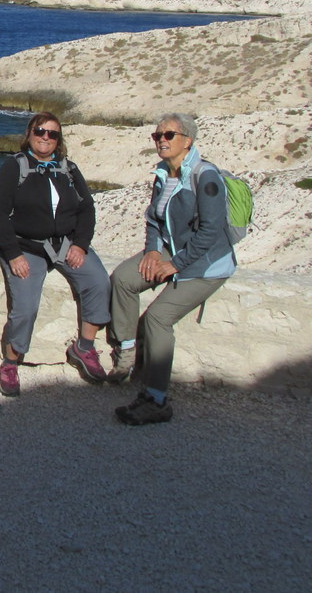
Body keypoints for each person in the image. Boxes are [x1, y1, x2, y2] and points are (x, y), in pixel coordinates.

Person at [109, 113, 236, 425]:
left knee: (157, 319)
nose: (161, 141)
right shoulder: (164, 173)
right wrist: (152, 250)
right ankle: (126, 351)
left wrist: (173, 265)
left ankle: (156, 398)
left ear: (187, 141)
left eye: (168, 135)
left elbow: (209, 231)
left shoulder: (204, 177)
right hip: (171, 248)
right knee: (123, 279)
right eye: (157, 136)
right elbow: (153, 217)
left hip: (206, 265)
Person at [0, 112, 111, 397]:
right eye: (40, 131)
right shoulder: (14, 168)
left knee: (98, 282)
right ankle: (11, 360)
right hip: (27, 246)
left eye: (52, 134)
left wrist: (80, 244)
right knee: (25, 306)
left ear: (59, 140)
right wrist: (13, 254)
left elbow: (87, 209)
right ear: (29, 134)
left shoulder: (68, 169)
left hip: (67, 243)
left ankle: (85, 347)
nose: (45, 137)